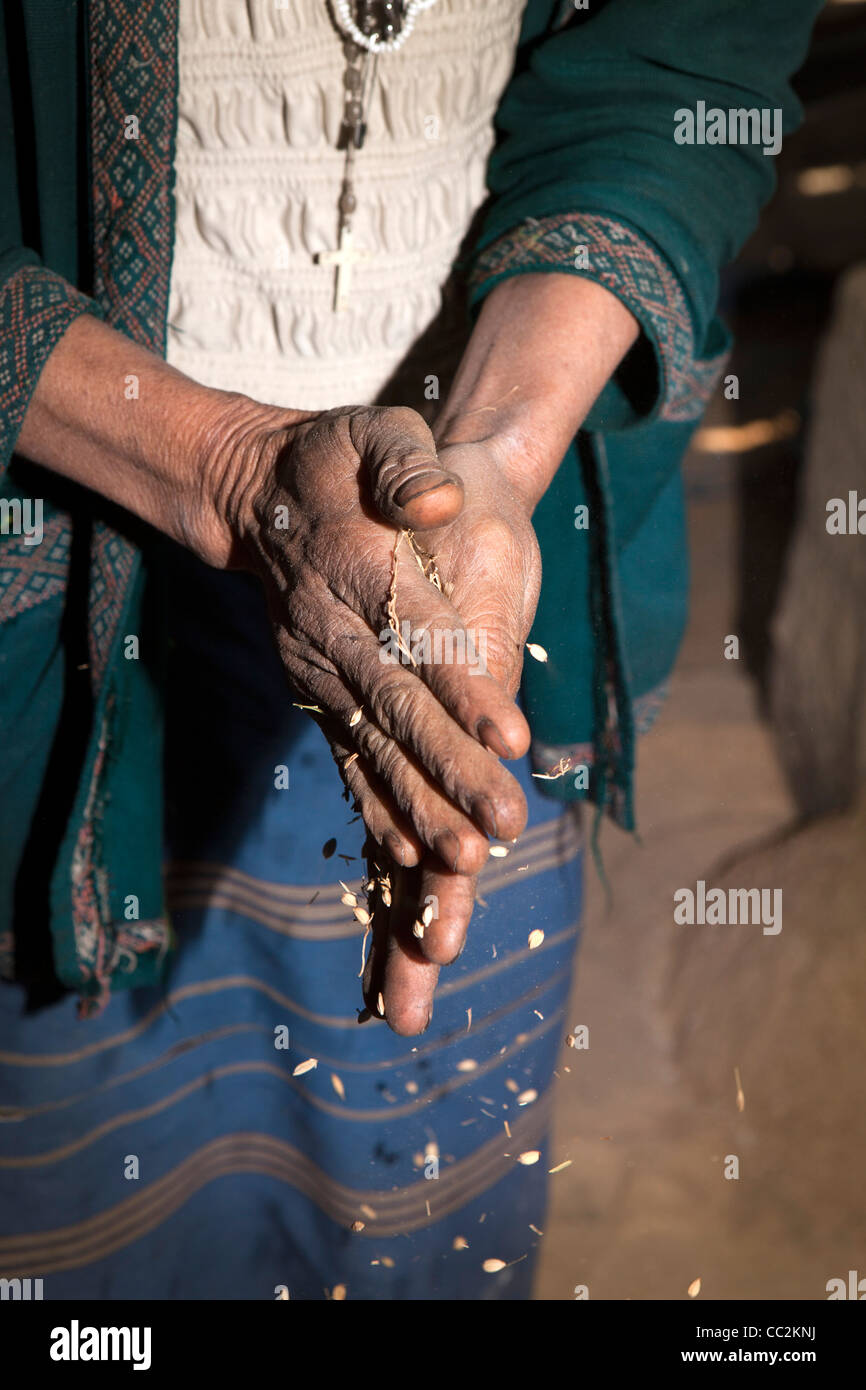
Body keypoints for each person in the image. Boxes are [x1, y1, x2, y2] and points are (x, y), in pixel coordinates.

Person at [0, 0, 820, 1299]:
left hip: (448, 565)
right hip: (56, 584)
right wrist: (225, 468)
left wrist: (496, 459)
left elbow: (683, 57)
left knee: (412, 1162)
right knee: (84, 1192)